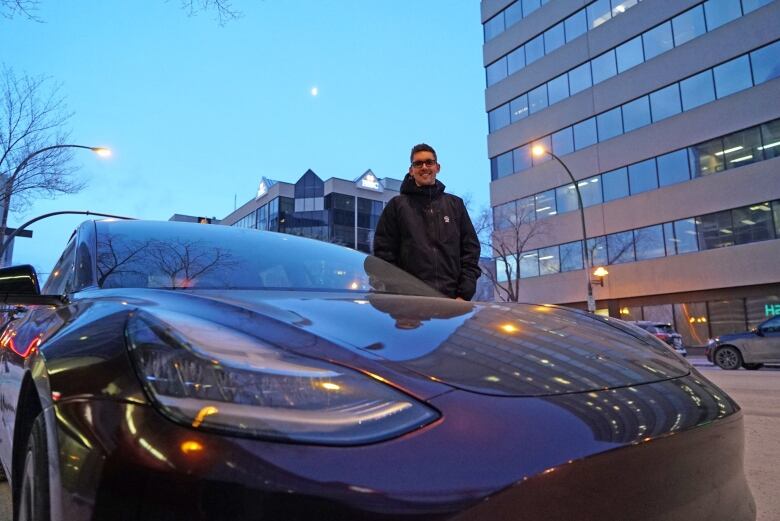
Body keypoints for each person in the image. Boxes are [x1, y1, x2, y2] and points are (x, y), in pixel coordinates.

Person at [373, 143, 481, 300]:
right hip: (410, 307)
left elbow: (470, 251)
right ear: (411, 170)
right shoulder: (396, 206)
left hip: (452, 303)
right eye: (418, 163)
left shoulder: (455, 204)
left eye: (429, 162)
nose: (424, 167)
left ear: (437, 167)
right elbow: (383, 254)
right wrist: (398, 294)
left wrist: (464, 293)